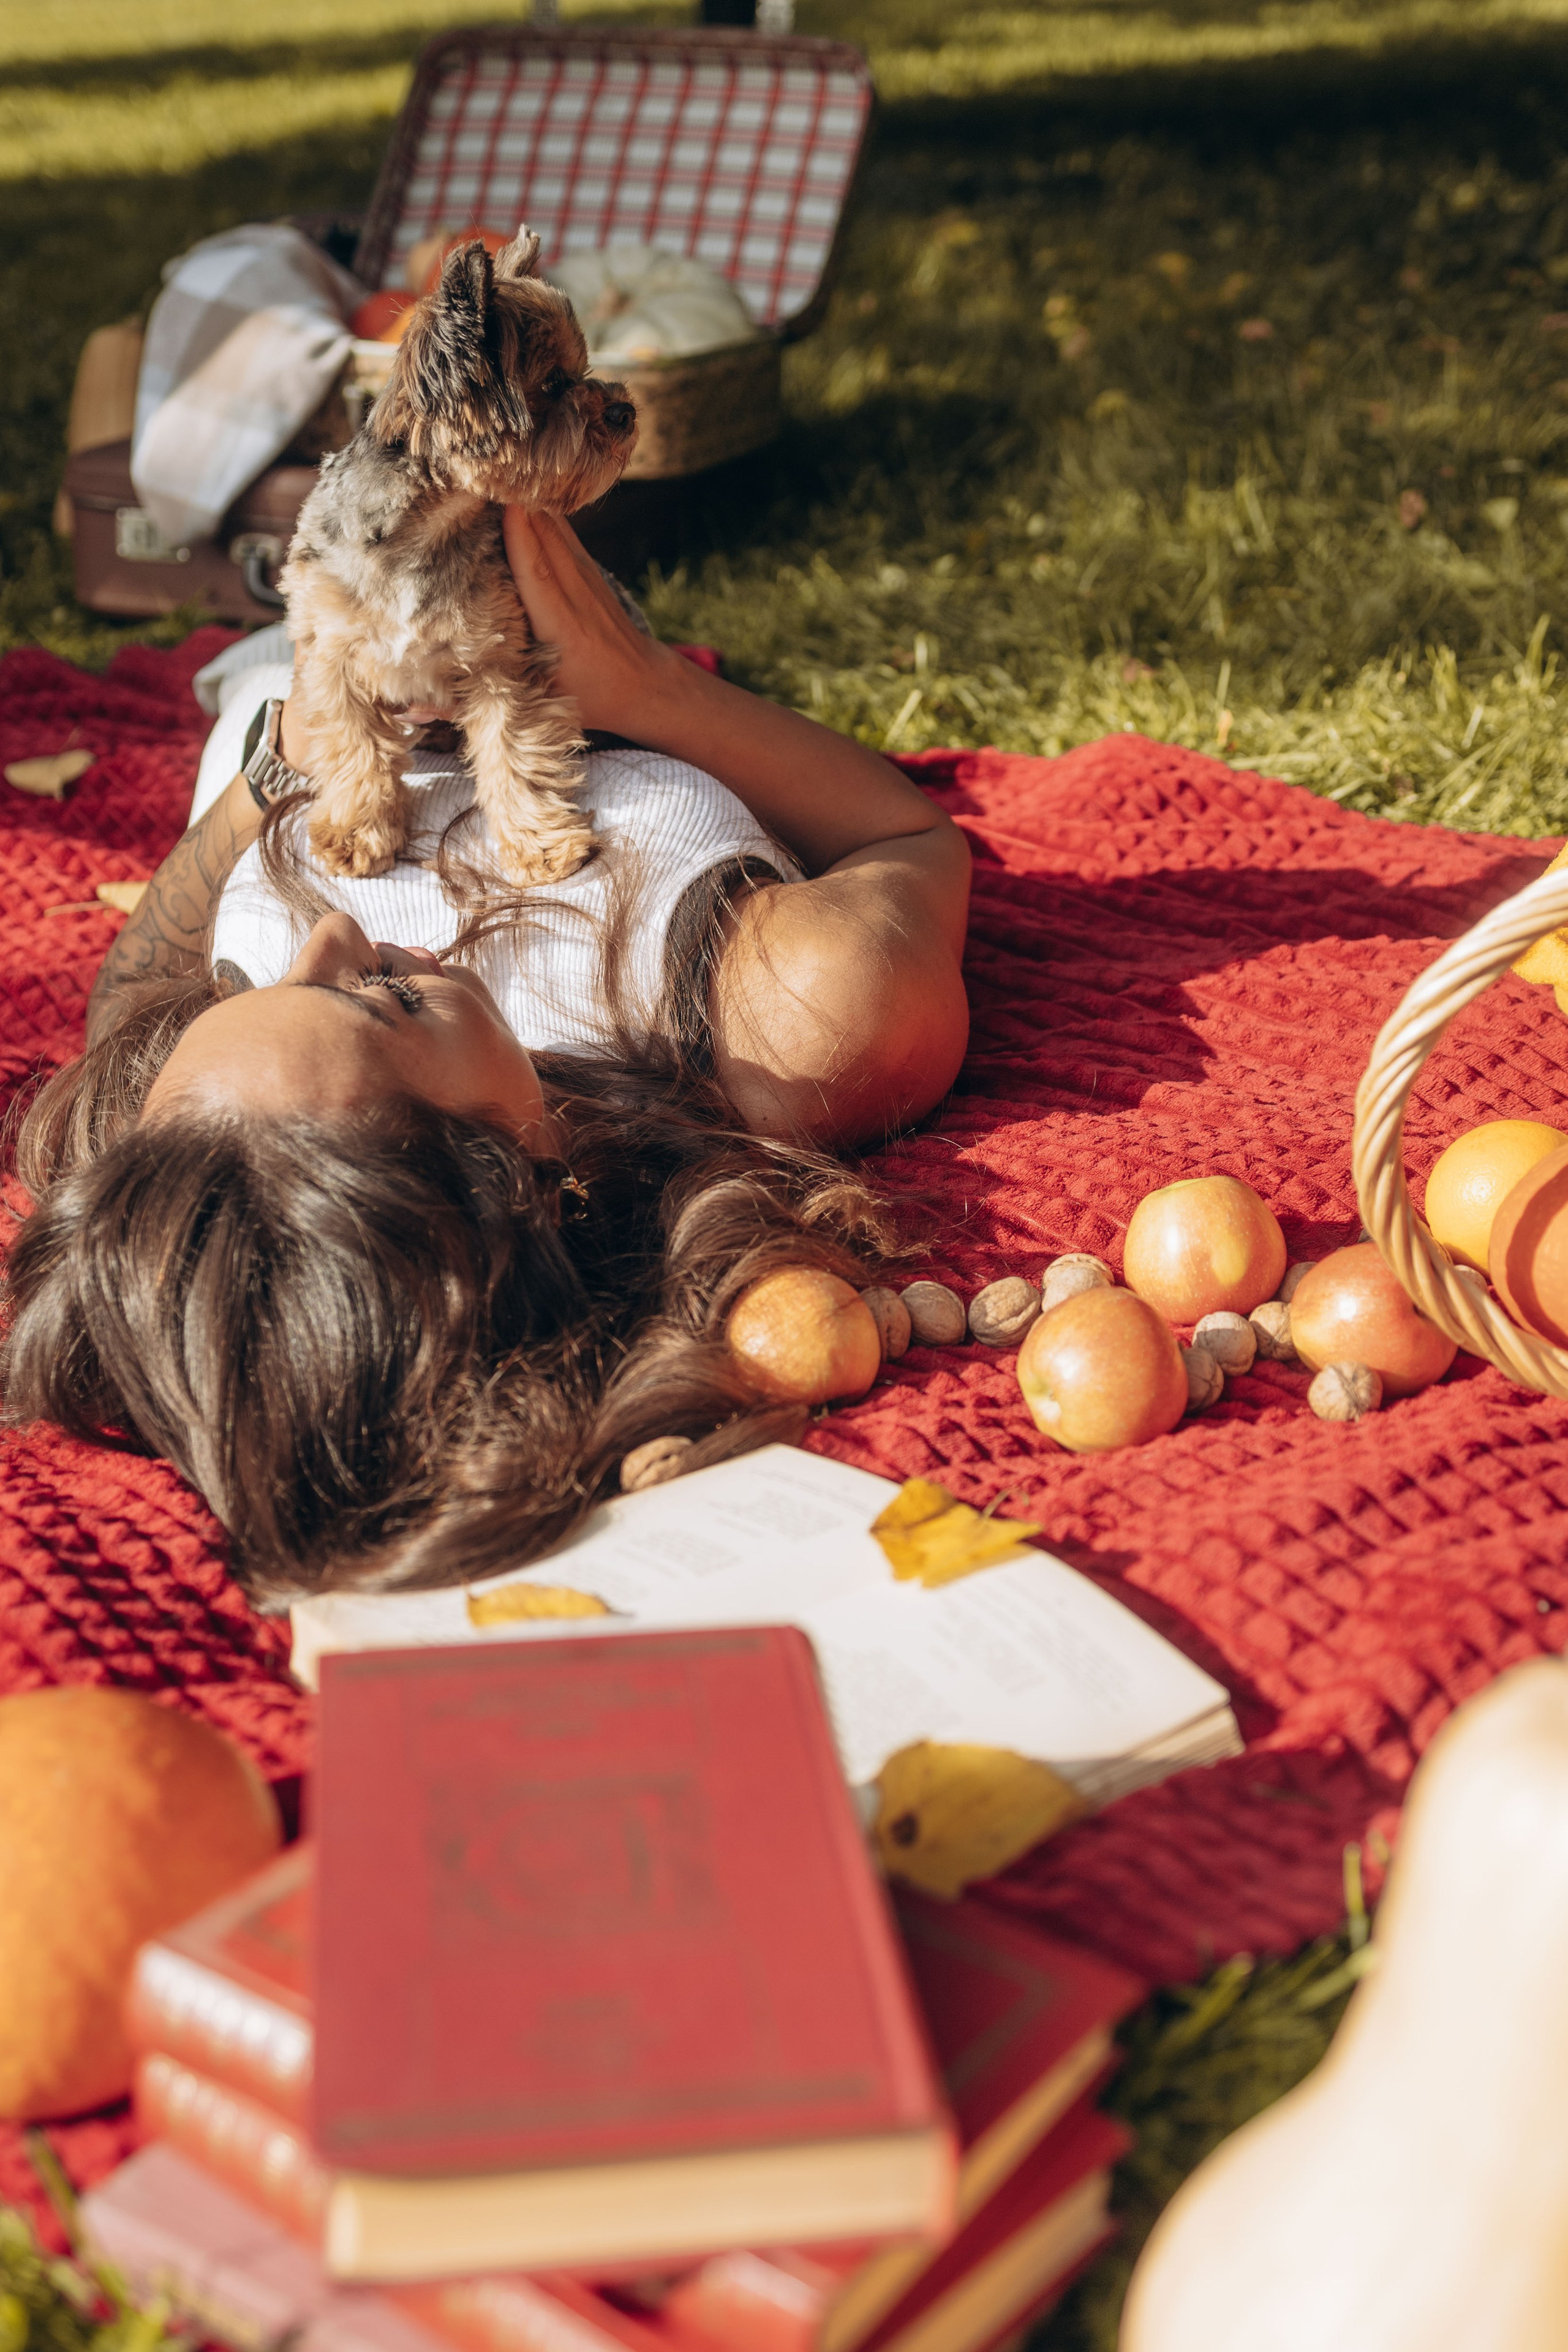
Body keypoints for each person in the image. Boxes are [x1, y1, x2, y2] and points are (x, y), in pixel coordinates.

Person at [1, 513, 970, 1608]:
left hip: (291, 682)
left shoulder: (202, 1136)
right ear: (516, 1177)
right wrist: (644, 686)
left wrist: (272, 769)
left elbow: (122, 1002)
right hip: (558, 650)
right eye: (381, 1001)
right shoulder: (799, 1023)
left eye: (264, 993)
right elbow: (913, 843)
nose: (331, 938)